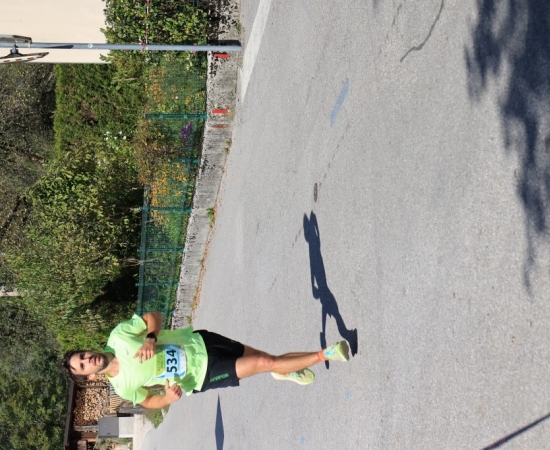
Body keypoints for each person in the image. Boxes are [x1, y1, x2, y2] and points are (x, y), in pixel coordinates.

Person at [62, 312, 351, 409]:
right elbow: (149, 401)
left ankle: (285, 372)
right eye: (83, 365)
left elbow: (153, 316)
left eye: (83, 355)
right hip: (200, 375)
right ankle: (326, 354)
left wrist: (150, 337)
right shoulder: (122, 387)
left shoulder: (118, 337)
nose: (88, 359)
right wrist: (168, 398)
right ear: (89, 376)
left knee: (265, 358)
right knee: (264, 362)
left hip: (200, 342)